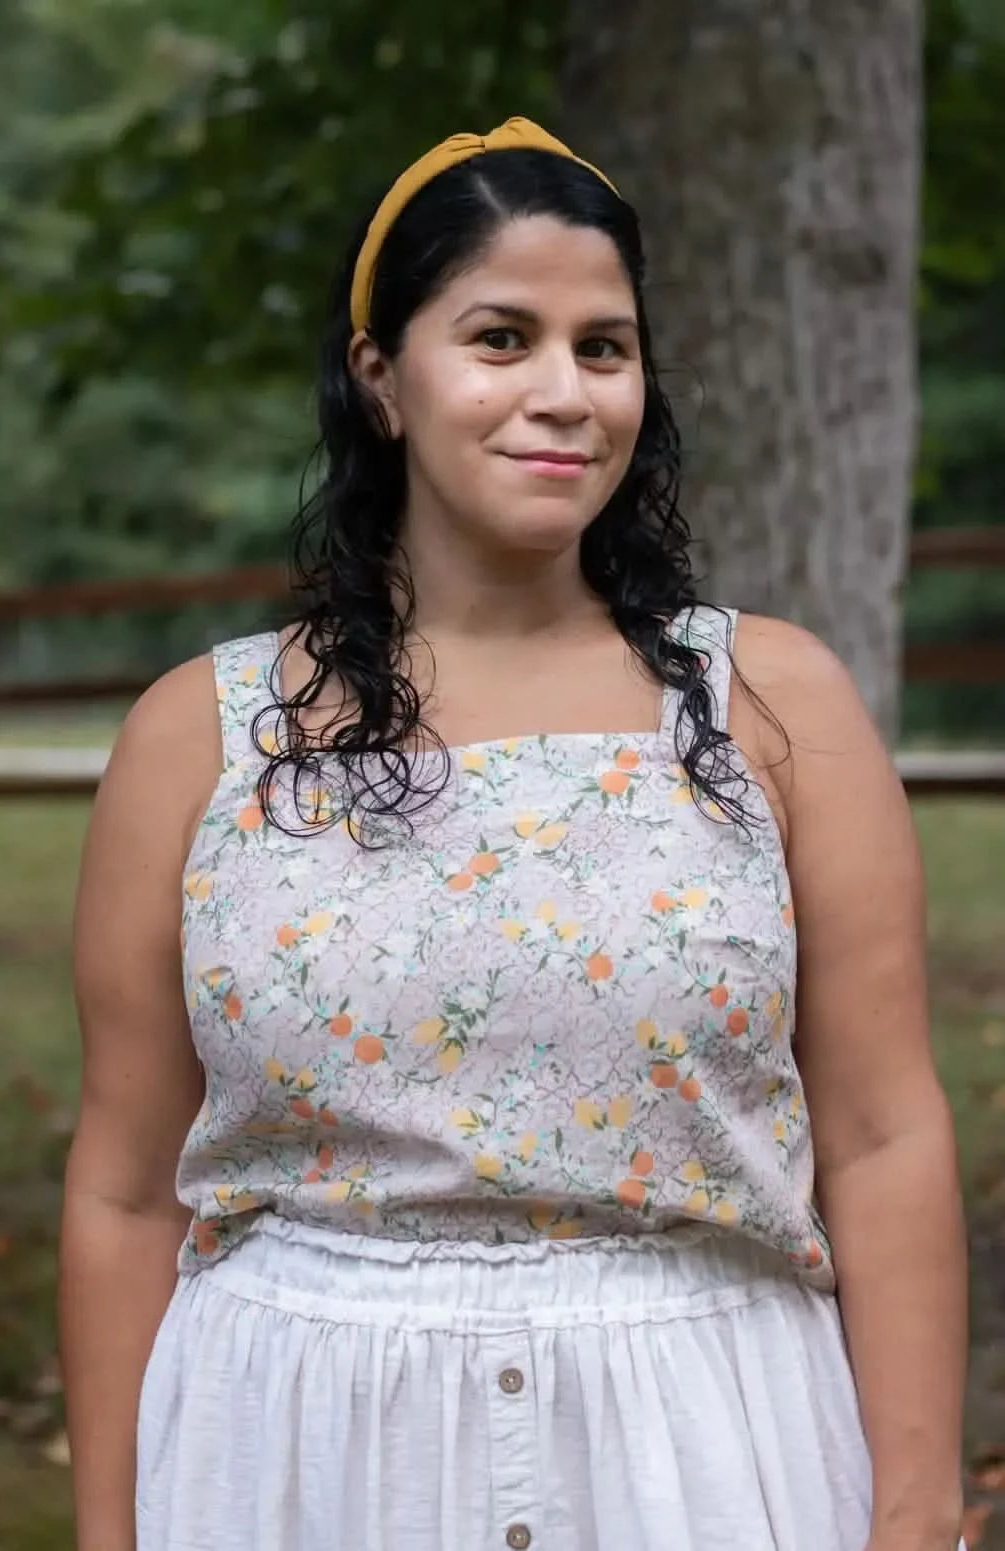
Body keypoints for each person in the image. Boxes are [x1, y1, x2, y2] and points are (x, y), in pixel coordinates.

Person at [59, 117, 970, 1551]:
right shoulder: (203, 735)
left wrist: (920, 1515)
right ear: (382, 379)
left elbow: (883, 1133)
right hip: (294, 1456)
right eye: (500, 337)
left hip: (705, 1451)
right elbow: (121, 1189)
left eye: (603, 348)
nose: (564, 393)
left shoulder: (773, 707)